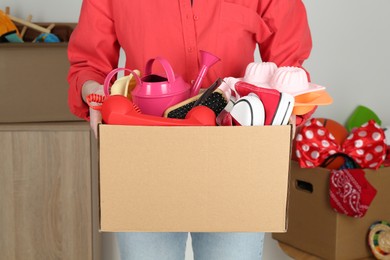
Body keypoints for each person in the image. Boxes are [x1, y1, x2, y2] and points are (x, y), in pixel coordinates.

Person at [67, 0, 313, 259]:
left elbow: (289, 68)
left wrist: (285, 113)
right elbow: (88, 66)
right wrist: (94, 93)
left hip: (235, 157)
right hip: (144, 157)